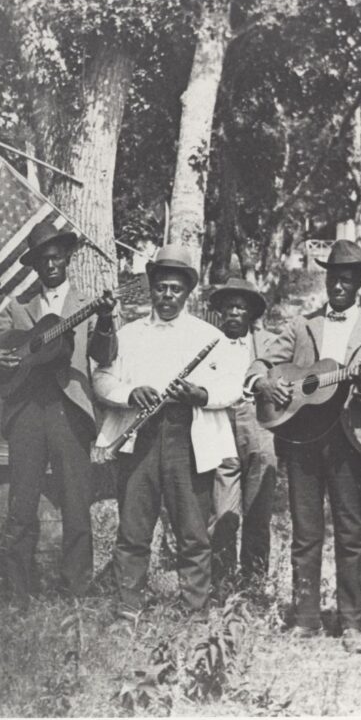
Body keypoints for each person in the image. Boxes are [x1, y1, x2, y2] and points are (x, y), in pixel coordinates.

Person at [247, 240, 361, 654]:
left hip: (347, 440)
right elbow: (262, 362)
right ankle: (306, 619)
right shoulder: (302, 325)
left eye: (347, 279)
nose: (339, 286)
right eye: (333, 277)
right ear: (326, 279)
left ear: (359, 284)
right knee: (305, 532)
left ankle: (352, 623)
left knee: (350, 534)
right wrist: (264, 382)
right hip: (301, 440)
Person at [0, 223, 117, 607]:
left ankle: (75, 594)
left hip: (69, 410)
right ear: (34, 265)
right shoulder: (20, 305)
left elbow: (105, 355)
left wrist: (104, 319)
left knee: (76, 503)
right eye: (42, 259)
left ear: (67, 258)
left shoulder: (85, 304)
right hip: (26, 410)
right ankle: (17, 593)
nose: (50, 264)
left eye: (56, 257)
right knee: (22, 503)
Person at [94, 244, 240, 623]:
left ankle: (194, 611)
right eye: (161, 287)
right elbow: (102, 379)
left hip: (187, 437)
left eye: (175, 288)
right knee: (134, 527)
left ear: (188, 291)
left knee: (192, 530)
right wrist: (130, 393)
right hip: (139, 436)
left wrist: (200, 394)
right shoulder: (129, 334)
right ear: (151, 288)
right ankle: (129, 609)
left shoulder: (210, 336)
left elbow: (232, 387)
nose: (167, 296)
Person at [207, 277, 278, 593]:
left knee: (258, 510)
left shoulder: (271, 344)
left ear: (251, 313)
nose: (234, 313)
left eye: (241, 307)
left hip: (259, 424)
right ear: (220, 311)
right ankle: (221, 583)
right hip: (220, 424)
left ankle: (255, 584)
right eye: (229, 307)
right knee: (223, 511)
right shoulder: (209, 343)